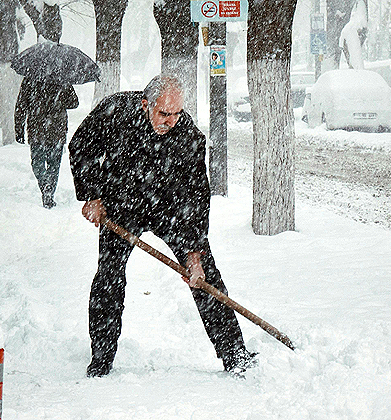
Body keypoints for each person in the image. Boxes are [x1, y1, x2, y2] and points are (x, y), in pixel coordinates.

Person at [69, 74, 255, 377]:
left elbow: (196, 195)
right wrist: (92, 195)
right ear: (146, 105)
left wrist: (193, 254)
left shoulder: (188, 137)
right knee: (109, 276)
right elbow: (81, 145)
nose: (171, 120)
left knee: (205, 276)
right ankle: (101, 358)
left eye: (176, 113)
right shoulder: (115, 112)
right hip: (121, 205)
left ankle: (234, 354)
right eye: (164, 113)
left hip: (169, 209)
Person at [15, 77, 78, 208]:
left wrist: (19, 129)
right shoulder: (62, 78)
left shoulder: (30, 79)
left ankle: (44, 185)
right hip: (57, 129)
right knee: (54, 164)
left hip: (37, 128)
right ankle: (49, 191)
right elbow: (74, 103)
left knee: (37, 163)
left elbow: (21, 105)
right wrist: (60, 98)